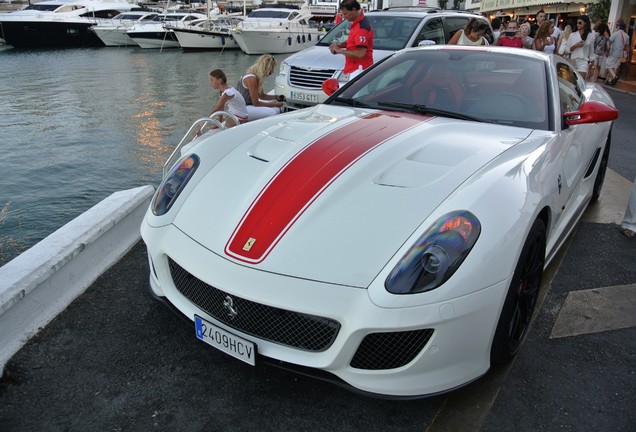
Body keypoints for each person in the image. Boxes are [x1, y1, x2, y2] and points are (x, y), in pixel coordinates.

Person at [328, 0, 373, 79]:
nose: (344, 17)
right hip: (355, 68)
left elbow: (360, 54)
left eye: (345, 14)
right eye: (342, 14)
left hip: (359, 70)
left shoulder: (361, 28)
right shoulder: (357, 23)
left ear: (354, 9)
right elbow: (353, 42)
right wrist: (340, 45)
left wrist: (339, 50)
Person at [236, 54, 285, 121]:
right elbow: (256, 103)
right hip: (243, 109)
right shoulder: (252, 79)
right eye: (272, 69)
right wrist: (275, 104)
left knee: (274, 108)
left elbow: (262, 96)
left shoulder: (255, 77)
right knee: (273, 112)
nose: (273, 72)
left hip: (246, 106)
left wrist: (276, 97)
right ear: (267, 68)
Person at [605, 22, 629, 86]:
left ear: (618, 27)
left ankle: (614, 76)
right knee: (615, 66)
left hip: (614, 53)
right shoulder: (627, 36)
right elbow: (627, 46)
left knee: (608, 65)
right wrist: (627, 55)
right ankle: (610, 81)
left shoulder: (616, 34)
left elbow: (609, 42)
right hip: (621, 54)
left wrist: (608, 50)